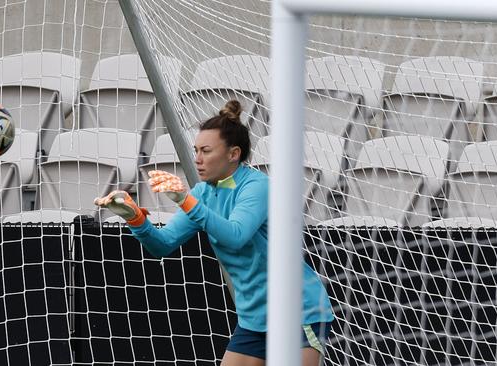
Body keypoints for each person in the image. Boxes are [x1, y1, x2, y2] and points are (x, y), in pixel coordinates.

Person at [94, 100, 334, 366]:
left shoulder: (258, 187)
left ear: (233, 154)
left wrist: (187, 201)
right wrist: (134, 217)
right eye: (196, 150)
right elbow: (163, 244)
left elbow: (236, 234)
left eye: (206, 151)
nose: (197, 159)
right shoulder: (202, 194)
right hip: (254, 319)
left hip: (298, 312)